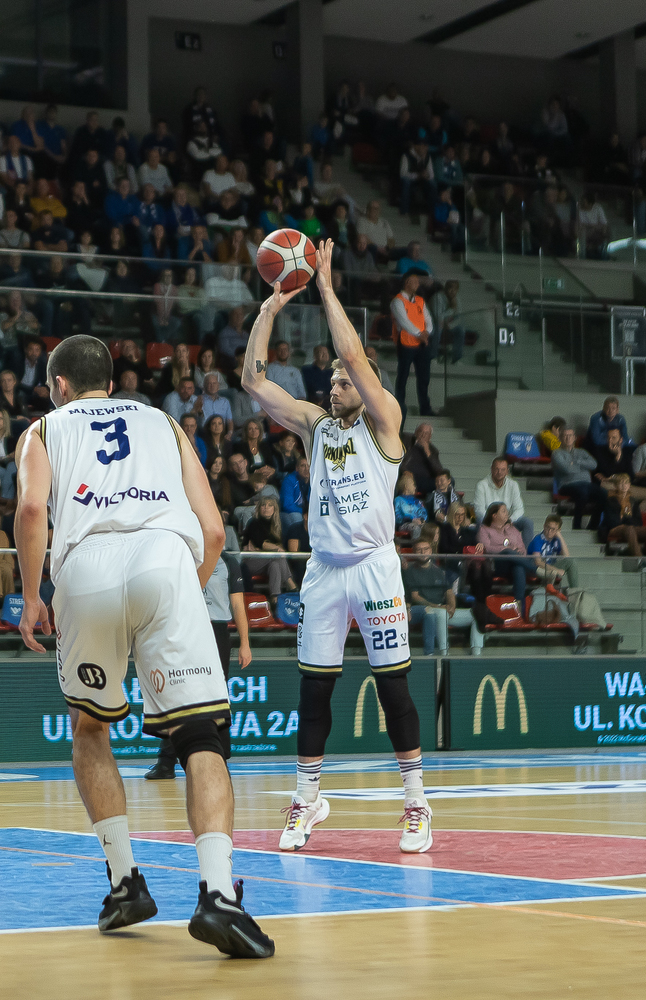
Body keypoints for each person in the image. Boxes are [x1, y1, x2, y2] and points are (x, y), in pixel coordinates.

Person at [14, 335, 274, 958]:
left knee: (90, 728)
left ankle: (125, 882)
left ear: (59, 386)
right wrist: (187, 583)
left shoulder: (43, 429)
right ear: (111, 382)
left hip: (85, 570)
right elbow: (213, 529)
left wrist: (30, 597)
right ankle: (218, 894)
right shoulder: (164, 422)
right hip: (165, 559)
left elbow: (30, 510)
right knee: (200, 735)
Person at [240, 242, 432, 858]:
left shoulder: (386, 421)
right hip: (324, 570)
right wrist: (270, 308)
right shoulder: (315, 427)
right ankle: (307, 798)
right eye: (331, 380)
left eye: (345, 380)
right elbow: (252, 380)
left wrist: (324, 285)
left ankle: (417, 802)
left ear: (367, 385)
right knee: (313, 693)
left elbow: (351, 353)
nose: (334, 383)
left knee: (393, 690)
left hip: (375, 568)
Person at [145, 551, 252, 780]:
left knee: (217, 692)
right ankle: (166, 761)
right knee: (178, 690)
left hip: (217, 628)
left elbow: (237, 603)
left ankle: (221, 757)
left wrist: (245, 642)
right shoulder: (181, 554)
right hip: (186, 625)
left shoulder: (228, 561)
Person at [403, 538, 482, 655]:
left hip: (442, 609)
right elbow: (415, 597)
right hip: (426, 610)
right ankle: (444, 652)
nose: (423, 552)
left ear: (431, 551)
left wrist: (452, 606)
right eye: (419, 550)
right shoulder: (409, 571)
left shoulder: (439, 571)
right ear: (414, 552)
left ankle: (476, 651)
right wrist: (438, 606)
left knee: (478, 615)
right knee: (441, 613)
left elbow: (449, 592)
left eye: (426, 549)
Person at [390, 272, 434, 416]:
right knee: (403, 376)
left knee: (424, 378)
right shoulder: (397, 301)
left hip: (422, 344)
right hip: (406, 343)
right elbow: (404, 321)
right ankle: (399, 407)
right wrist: (420, 334)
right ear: (407, 282)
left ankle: (425, 408)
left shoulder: (420, 300)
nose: (418, 284)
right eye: (415, 281)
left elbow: (428, 319)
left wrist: (427, 332)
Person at [474, 456, 534, 546]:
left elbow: (519, 509)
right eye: (497, 469)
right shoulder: (482, 485)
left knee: (527, 522)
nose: (499, 472)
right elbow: (479, 510)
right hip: (490, 521)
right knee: (480, 520)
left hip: (508, 521)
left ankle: (525, 553)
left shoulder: (513, 485)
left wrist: (509, 520)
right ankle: (485, 551)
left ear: (507, 471)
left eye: (503, 470)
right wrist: (494, 521)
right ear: (491, 469)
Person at [552, 426, 601, 529]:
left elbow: (594, 464)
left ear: (575, 438)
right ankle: (577, 525)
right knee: (582, 492)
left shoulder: (582, 452)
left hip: (587, 485)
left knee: (604, 495)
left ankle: (593, 526)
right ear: (560, 438)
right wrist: (583, 466)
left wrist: (576, 462)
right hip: (567, 485)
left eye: (570, 435)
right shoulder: (557, 453)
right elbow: (567, 469)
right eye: (565, 436)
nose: (568, 438)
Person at [528, 514, 579, 588]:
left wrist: (560, 537)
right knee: (552, 572)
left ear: (558, 530)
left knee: (571, 562)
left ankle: (574, 590)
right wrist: (556, 570)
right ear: (544, 526)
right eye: (547, 527)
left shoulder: (556, 540)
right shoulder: (538, 539)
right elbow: (537, 562)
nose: (549, 531)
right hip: (537, 570)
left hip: (550, 567)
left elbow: (567, 557)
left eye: (553, 529)